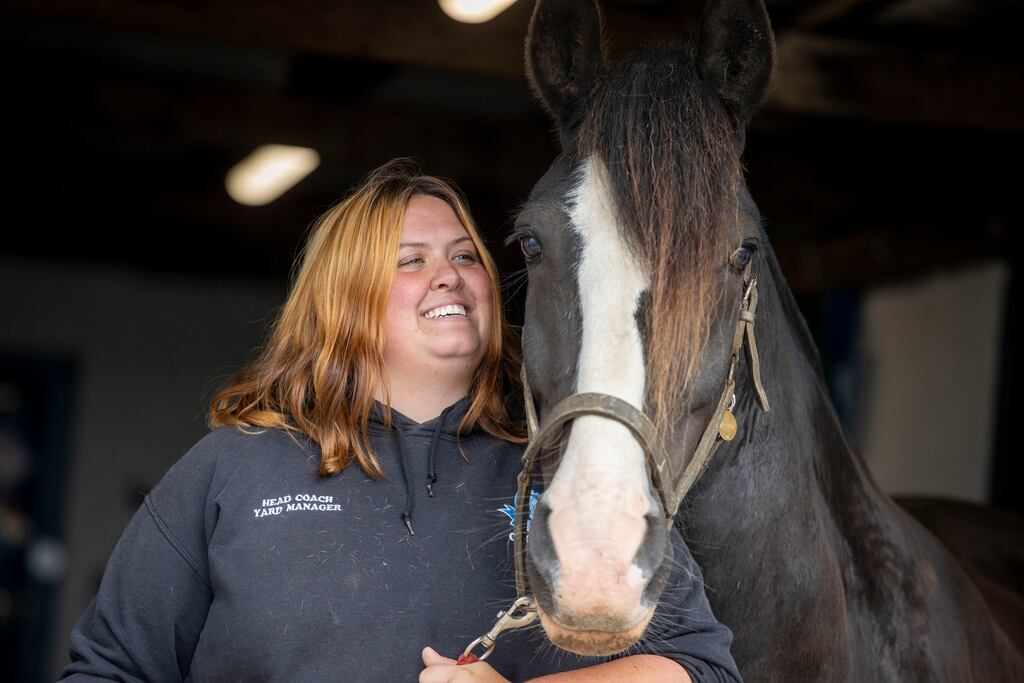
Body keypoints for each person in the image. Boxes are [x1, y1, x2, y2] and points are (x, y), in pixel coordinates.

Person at [61, 159, 742, 682]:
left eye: (466, 255)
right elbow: (108, 669)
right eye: (411, 261)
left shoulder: (571, 471)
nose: (448, 275)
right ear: (343, 302)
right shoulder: (230, 470)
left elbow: (701, 666)